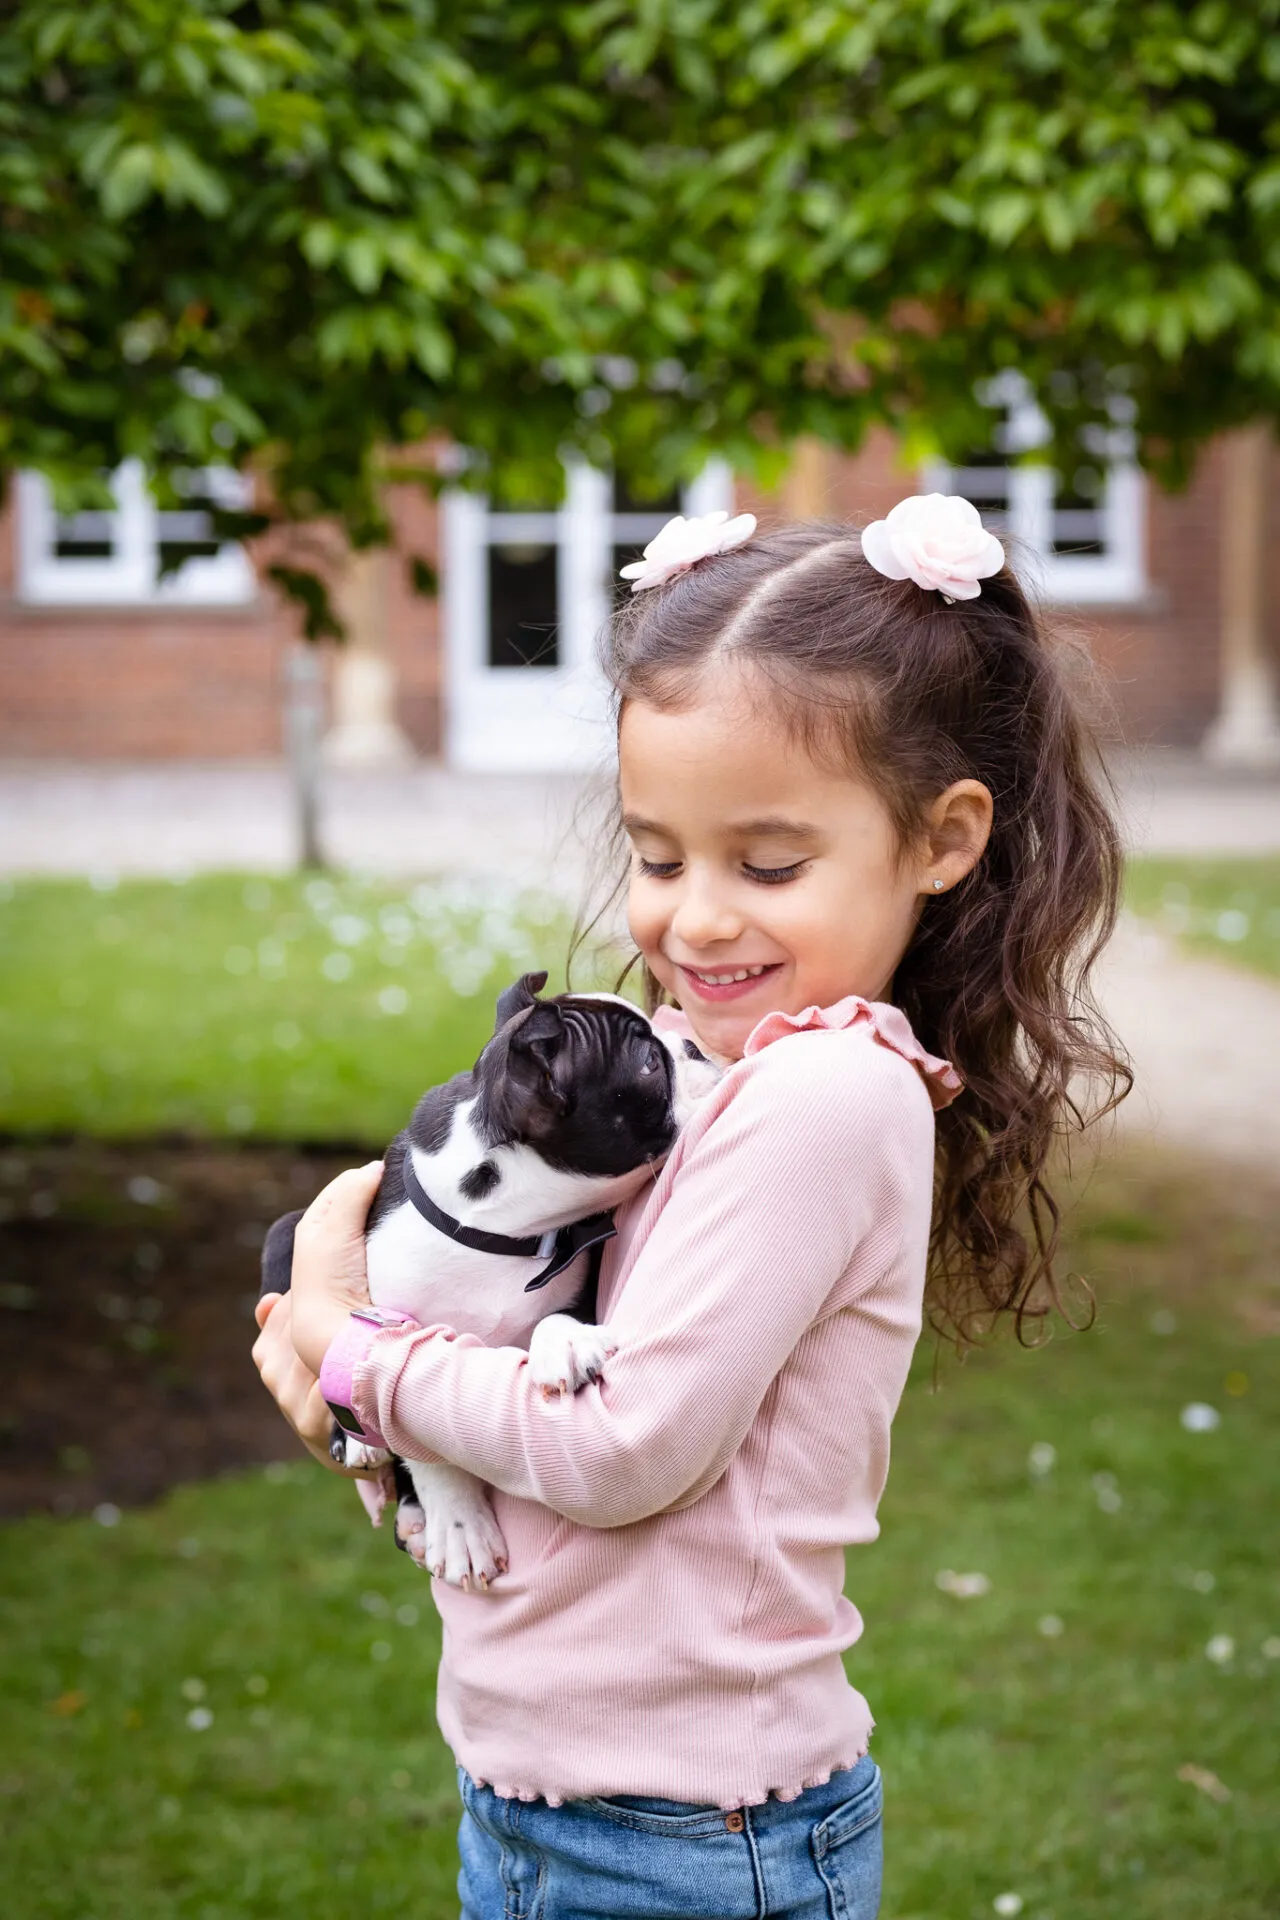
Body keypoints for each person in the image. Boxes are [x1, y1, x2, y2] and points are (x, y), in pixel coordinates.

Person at [253, 494, 1129, 1920]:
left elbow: (623, 1449)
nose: (693, 920)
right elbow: (518, 1350)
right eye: (658, 857)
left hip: (683, 1837)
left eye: (767, 866)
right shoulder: (711, 1071)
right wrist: (369, 1394)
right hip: (567, 1797)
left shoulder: (824, 1098)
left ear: (943, 838)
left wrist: (349, 1347)